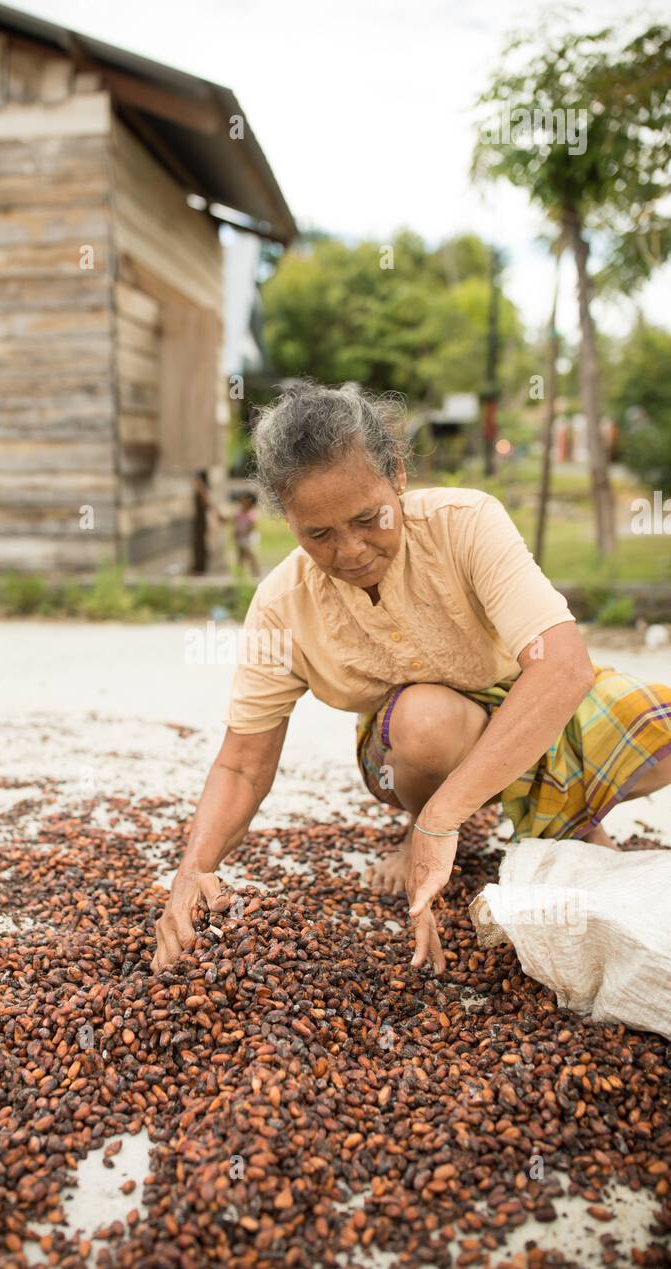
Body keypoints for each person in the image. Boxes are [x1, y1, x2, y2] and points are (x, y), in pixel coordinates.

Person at [154, 382, 671, 975]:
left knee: (657, 733)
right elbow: (243, 762)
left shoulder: (466, 522)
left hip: (525, 703)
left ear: (397, 475)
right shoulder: (281, 605)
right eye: (317, 534)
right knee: (426, 720)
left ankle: (529, 819)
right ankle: (473, 821)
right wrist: (193, 868)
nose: (350, 550)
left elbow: (562, 666)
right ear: (286, 518)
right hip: (411, 745)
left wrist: (442, 820)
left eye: (367, 518)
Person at [194, 478, 261, 578]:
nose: (241, 501)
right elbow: (227, 520)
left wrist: (241, 533)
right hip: (240, 539)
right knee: (240, 557)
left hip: (248, 539)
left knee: (250, 556)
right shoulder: (238, 513)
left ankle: (256, 575)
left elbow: (251, 528)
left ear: (249, 503)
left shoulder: (250, 515)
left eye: (244, 500)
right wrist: (218, 514)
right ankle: (240, 576)